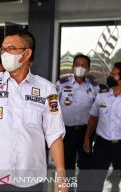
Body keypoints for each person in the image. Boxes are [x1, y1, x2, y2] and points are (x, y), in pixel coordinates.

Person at [0, 31, 66, 192]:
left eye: (11, 48)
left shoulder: (47, 89)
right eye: (3, 49)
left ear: (27, 53)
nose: (4, 53)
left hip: (30, 177)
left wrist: (61, 173)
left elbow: (54, 133)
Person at [56, 54, 99, 188]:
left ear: (89, 68)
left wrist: (89, 135)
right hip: (67, 132)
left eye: (84, 65)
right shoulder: (61, 84)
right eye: (78, 64)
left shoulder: (94, 87)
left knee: (85, 165)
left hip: (86, 132)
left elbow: (97, 112)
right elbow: (52, 107)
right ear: (72, 66)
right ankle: (68, 189)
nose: (80, 67)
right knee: (67, 165)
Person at [83, 62, 121, 192]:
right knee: (95, 181)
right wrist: (87, 138)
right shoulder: (102, 95)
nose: (110, 77)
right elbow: (93, 118)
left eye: (113, 75)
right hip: (102, 145)